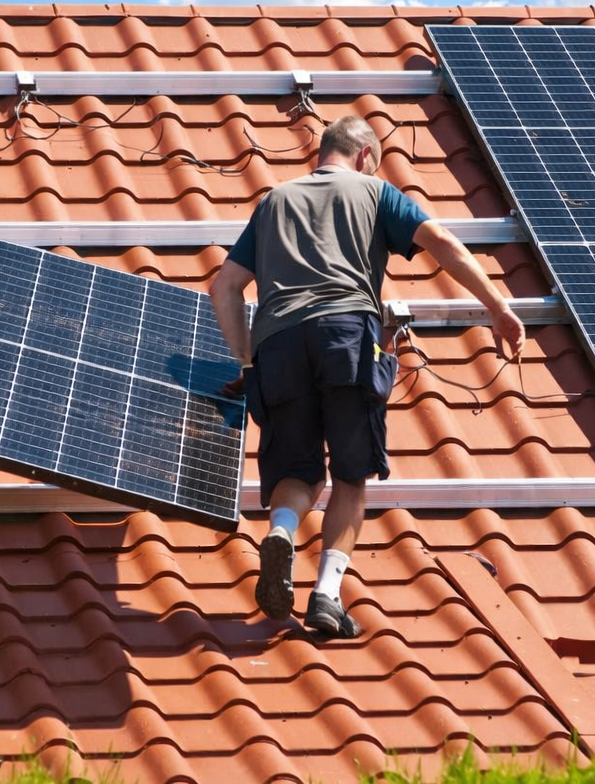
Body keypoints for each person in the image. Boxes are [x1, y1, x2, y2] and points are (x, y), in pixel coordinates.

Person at [209, 115, 524, 639]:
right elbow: (441, 240)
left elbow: (225, 289)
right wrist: (496, 305)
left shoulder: (273, 203)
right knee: (350, 474)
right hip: (347, 336)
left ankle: (283, 532)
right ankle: (327, 596)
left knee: (296, 471)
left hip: (278, 344)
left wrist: (247, 364)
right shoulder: (375, 192)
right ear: (363, 158)